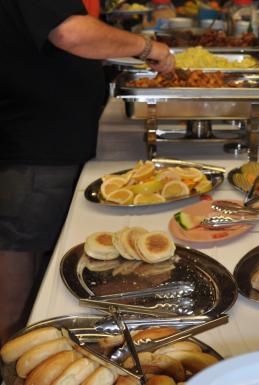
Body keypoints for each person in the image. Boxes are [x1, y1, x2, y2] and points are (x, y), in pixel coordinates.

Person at [0, 0, 174, 344]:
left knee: (32, 259)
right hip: (35, 148)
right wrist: (147, 46)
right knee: (15, 271)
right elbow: (70, 32)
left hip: (43, 143)